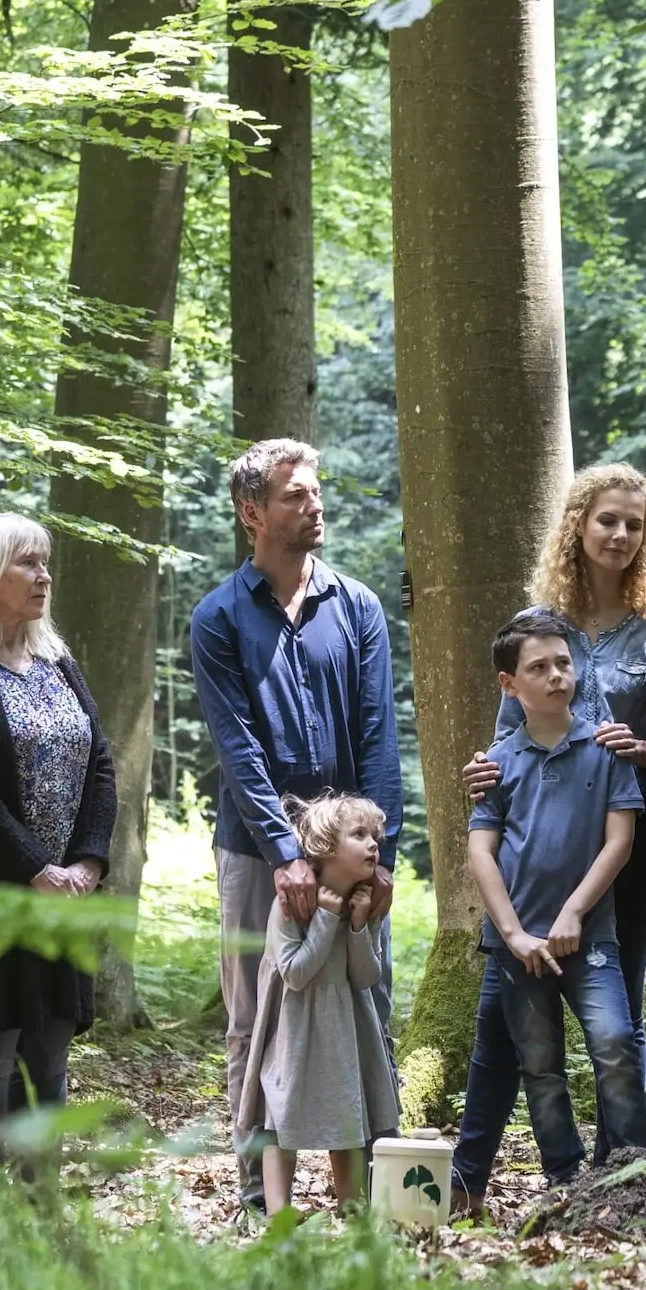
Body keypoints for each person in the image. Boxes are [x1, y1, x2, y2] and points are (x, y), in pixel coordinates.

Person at [191, 439, 404, 1214]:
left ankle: (379, 1187)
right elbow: (237, 748)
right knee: (255, 1015)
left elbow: (379, 735)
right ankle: (259, 1195)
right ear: (254, 512)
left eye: (316, 492)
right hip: (256, 850)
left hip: (353, 852)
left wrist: (382, 856)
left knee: (364, 1003)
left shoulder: (358, 608)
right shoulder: (217, 617)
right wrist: (287, 853)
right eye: (296, 495)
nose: (315, 505)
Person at [461, 464, 646, 1093]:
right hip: (539, 844)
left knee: (621, 1006)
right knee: (518, 1008)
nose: (619, 535)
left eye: (635, 526)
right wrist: (483, 769)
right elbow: (508, 736)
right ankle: (530, 1162)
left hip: (630, 839)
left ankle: (622, 1168)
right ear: (578, 525)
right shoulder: (537, 623)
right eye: (607, 519)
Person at [451, 609, 646, 1209]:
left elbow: (620, 841)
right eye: (539, 667)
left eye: (564, 663)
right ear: (510, 684)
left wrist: (573, 914)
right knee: (539, 1066)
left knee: (615, 1042)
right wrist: (513, 935)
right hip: (519, 950)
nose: (557, 675)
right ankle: (566, 1183)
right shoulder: (496, 764)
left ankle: (629, 1179)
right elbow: (481, 851)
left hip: (591, 940)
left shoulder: (605, 749)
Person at [0, 513, 116, 1165]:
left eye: (46, 562)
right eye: (27, 562)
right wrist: (36, 866)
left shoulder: (57, 661)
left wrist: (87, 862)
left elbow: (101, 763)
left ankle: (41, 1210)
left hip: (66, 895)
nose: (44, 575)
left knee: (51, 1052)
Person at [237, 794, 400, 1214]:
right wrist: (326, 918)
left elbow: (366, 977)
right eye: (359, 835)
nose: (373, 845)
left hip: (347, 1026)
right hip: (296, 1029)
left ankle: (352, 1207)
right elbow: (294, 973)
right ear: (326, 847)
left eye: (375, 836)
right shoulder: (291, 904)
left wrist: (360, 924)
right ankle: (277, 1211)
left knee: (349, 1111)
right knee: (280, 1115)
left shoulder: (366, 904)